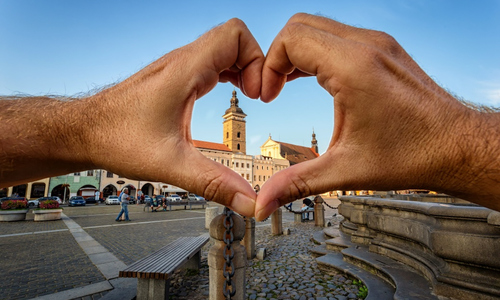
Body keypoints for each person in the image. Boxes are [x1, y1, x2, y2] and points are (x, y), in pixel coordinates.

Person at [0, 14, 498, 222]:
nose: (234, 127)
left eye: (235, 127)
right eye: (232, 125)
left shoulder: (264, 148)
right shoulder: (236, 142)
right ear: (229, 126)